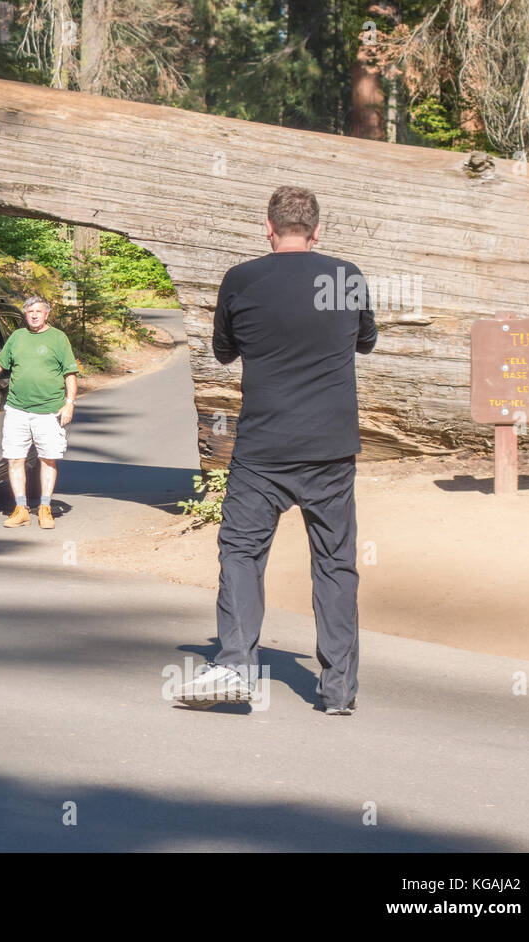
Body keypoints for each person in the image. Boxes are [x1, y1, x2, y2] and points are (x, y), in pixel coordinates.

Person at [174, 185, 377, 715]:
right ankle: (337, 691)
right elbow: (365, 341)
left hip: (263, 448)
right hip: (330, 449)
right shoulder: (345, 276)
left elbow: (222, 352)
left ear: (268, 228)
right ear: (317, 230)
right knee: (335, 563)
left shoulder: (242, 279)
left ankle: (237, 661)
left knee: (242, 551)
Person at [0, 296, 78, 529]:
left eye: (38, 311)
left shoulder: (58, 338)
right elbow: (0, 363)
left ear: (47, 314)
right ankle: (21, 508)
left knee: (48, 459)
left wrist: (70, 403)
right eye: (30, 312)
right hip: (17, 409)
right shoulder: (17, 337)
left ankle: (45, 508)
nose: (34, 315)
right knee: (15, 459)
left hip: (49, 411)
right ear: (25, 314)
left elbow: (70, 373)